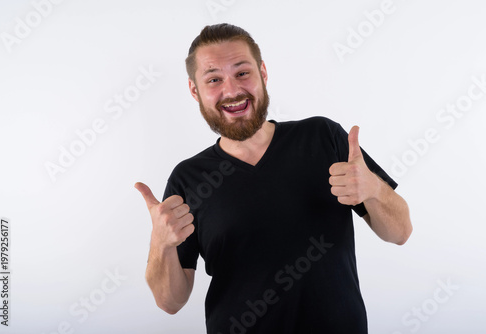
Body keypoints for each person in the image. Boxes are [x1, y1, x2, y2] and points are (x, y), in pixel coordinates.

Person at [135, 23, 412, 334]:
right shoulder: (187, 179)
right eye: (214, 79)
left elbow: (400, 232)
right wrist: (161, 244)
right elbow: (170, 302)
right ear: (194, 90)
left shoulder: (322, 137)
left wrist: (373, 189)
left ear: (262, 73)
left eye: (242, 73)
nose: (232, 90)